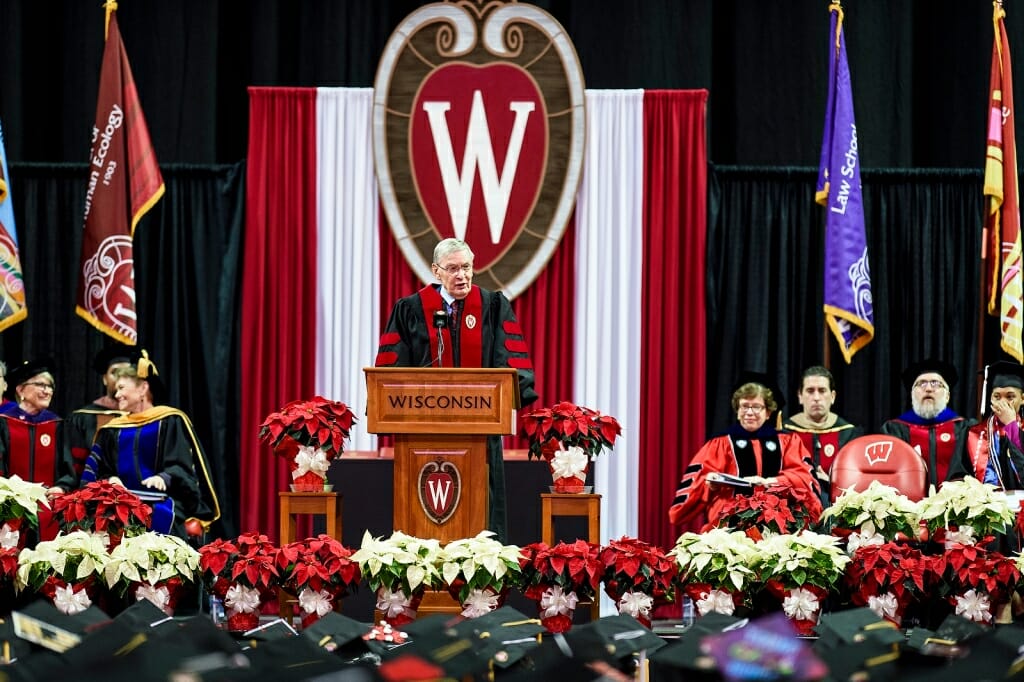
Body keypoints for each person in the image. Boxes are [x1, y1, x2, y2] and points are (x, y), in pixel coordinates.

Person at [374, 238, 538, 541]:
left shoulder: (492, 306)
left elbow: (511, 366)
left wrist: (504, 394)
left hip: (481, 433)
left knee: (483, 514)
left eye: (466, 267)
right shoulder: (410, 309)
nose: (461, 275)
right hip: (421, 435)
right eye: (453, 269)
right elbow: (390, 371)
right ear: (436, 271)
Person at [80, 351, 220, 538]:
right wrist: (111, 478)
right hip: (121, 504)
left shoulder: (169, 420)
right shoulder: (113, 429)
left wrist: (165, 477)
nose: (117, 394)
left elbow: (183, 465)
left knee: (163, 517)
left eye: (122, 388)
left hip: (161, 502)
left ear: (143, 388)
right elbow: (101, 468)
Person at [668, 377, 821, 531]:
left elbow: (804, 478)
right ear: (737, 410)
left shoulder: (787, 441)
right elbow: (695, 487)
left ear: (768, 412)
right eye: (744, 406)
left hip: (779, 528)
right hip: (726, 528)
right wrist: (711, 486)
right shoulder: (720, 444)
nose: (749, 412)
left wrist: (770, 482)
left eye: (756, 407)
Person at [880, 358, 974, 487]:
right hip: (908, 503)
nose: (928, 389)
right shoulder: (894, 429)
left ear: (947, 396)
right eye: (921, 384)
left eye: (936, 383)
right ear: (912, 395)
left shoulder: (965, 428)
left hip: (954, 504)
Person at [782, 365, 863, 503]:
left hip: (838, 505)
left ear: (832, 396)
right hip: (793, 505)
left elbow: (857, 478)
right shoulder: (784, 432)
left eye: (822, 391)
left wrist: (833, 481)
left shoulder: (849, 434)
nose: (816, 398)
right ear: (800, 396)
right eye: (810, 391)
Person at [0, 359, 77, 498]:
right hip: (10, 507)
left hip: (50, 507)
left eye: (50, 386)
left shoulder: (56, 424)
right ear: (20, 389)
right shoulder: (4, 422)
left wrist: (61, 487)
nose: (47, 391)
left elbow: (68, 469)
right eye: (41, 385)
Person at [63, 345, 132, 480]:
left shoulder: (146, 417)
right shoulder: (83, 417)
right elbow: (74, 465)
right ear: (104, 379)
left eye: (127, 373)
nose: (121, 378)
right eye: (115, 372)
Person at [967, 361, 1024, 489]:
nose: (1003, 403)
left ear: (1022, 399)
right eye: (997, 397)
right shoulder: (972, 434)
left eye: (1010, 397)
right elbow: (959, 475)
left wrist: (1011, 425)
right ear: (990, 399)